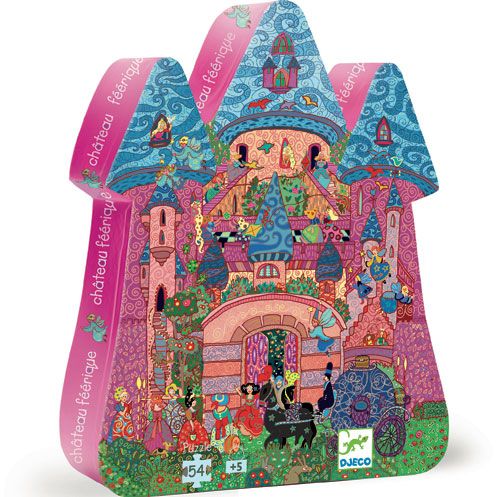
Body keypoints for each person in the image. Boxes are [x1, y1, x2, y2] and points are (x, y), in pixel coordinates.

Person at [177, 387, 209, 453]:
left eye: (194, 400)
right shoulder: (188, 410)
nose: (194, 402)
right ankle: (185, 447)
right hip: (189, 423)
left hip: (195, 422)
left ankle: (202, 445)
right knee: (186, 434)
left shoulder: (194, 408)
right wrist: (192, 425)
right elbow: (189, 419)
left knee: (201, 431)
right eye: (192, 401)